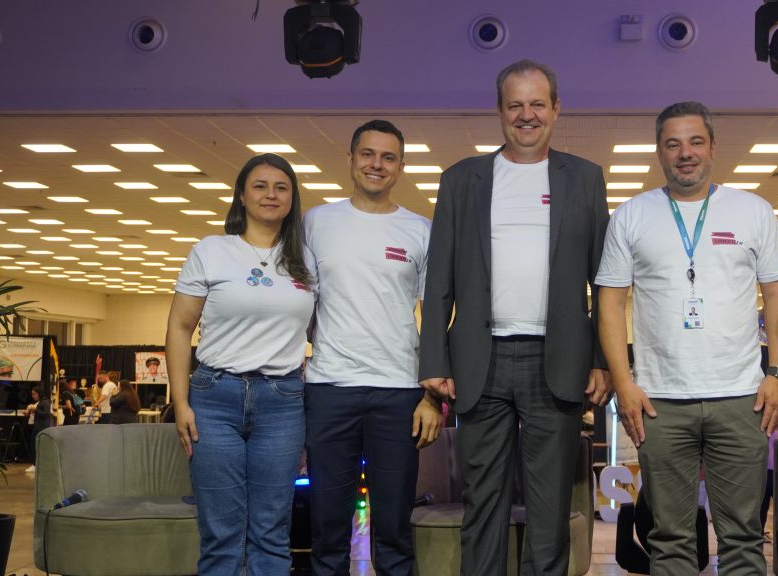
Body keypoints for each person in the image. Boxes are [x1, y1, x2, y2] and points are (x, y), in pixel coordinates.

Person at [419, 59, 611, 576]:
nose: (527, 115)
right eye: (515, 105)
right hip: (479, 361)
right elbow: (439, 281)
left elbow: (604, 282)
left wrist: (601, 359)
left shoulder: (586, 178)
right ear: (499, 111)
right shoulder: (462, 179)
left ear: (556, 108)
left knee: (549, 507)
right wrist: (434, 362)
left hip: (559, 358)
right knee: (484, 500)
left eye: (537, 104)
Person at [596, 101, 778, 575]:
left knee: (744, 537)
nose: (685, 153)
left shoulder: (753, 211)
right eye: (673, 144)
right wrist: (624, 385)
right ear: (659, 153)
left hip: (741, 398)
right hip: (660, 403)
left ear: (712, 148)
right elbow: (608, 305)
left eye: (695, 142)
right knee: (669, 540)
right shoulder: (631, 215)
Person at [166, 153, 316, 575]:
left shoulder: (306, 259)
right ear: (242, 196)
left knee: (272, 532)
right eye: (260, 186)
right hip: (214, 399)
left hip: (282, 401)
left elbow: (321, 330)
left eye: (281, 187)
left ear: (292, 198)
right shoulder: (212, 251)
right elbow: (179, 328)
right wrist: (181, 402)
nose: (271, 194)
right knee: (221, 534)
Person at [303, 119, 442, 576]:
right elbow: (298, 300)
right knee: (325, 525)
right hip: (329, 389)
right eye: (367, 154)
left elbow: (439, 317)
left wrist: (431, 396)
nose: (376, 165)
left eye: (388, 157)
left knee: (394, 527)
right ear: (350, 159)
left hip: (398, 392)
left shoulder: (420, 230)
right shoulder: (316, 222)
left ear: (400, 167)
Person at [25, 386, 53, 472]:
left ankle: (35, 465)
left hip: (41, 427)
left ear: (39, 393)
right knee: (34, 445)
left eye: (34, 394)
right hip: (38, 426)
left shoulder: (45, 402)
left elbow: (46, 413)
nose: (33, 396)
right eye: (32, 394)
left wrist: (35, 409)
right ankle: (36, 464)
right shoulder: (40, 402)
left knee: (35, 445)